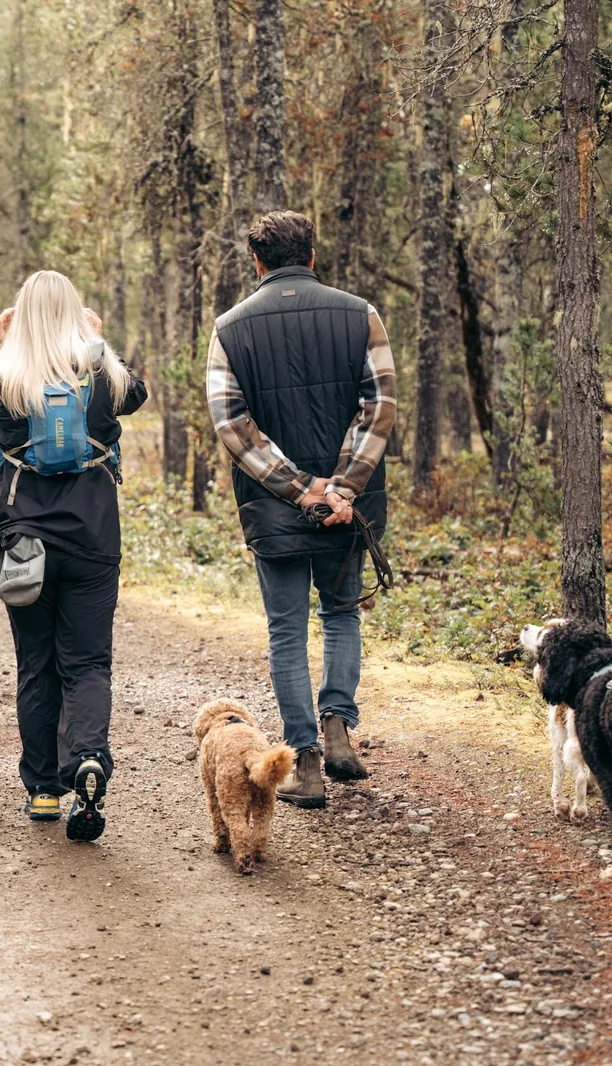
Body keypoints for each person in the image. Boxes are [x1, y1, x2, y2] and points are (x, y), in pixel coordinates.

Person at [206, 210, 397, 809]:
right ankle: (339, 726)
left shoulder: (229, 328)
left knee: (286, 631)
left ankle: (305, 763)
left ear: (257, 263)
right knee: (341, 615)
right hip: (350, 508)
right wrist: (342, 489)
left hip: (275, 507)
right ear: (311, 256)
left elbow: (232, 424)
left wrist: (298, 488)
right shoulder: (361, 314)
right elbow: (379, 405)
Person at [0, 270, 148, 842]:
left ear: (21, 316)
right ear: (77, 312)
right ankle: (86, 756)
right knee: (86, 663)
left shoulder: (7, 375)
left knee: (35, 662)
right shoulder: (101, 371)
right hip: (93, 537)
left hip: (24, 541)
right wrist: (98, 341)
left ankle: (42, 788)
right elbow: (137, 393)